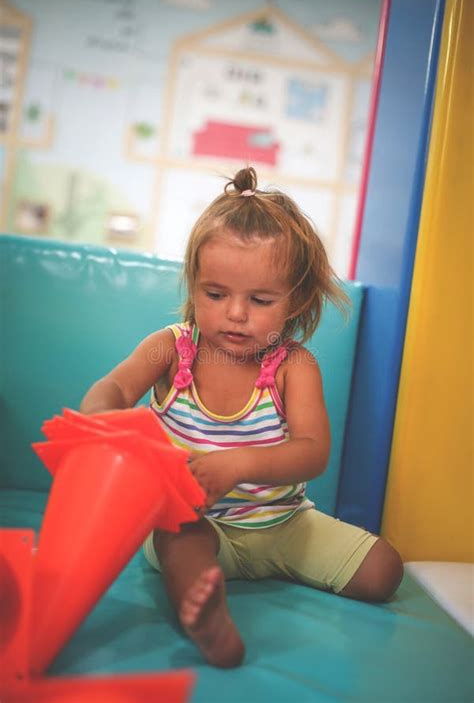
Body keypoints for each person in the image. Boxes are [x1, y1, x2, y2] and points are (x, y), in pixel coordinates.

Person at [80, 167, 404, 668]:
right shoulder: (170, 349)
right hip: (198, 524)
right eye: (216, 295)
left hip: (285, 524)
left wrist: (238, 465)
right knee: (175, 536)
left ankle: (243, 576)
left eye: (259, 300)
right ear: (195, 286)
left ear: (294, 301)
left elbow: (313, 451)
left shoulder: (294, 366)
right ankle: (205, 614)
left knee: (385, 571)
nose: (235, 313)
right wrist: (100, 413)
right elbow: (116, 386)